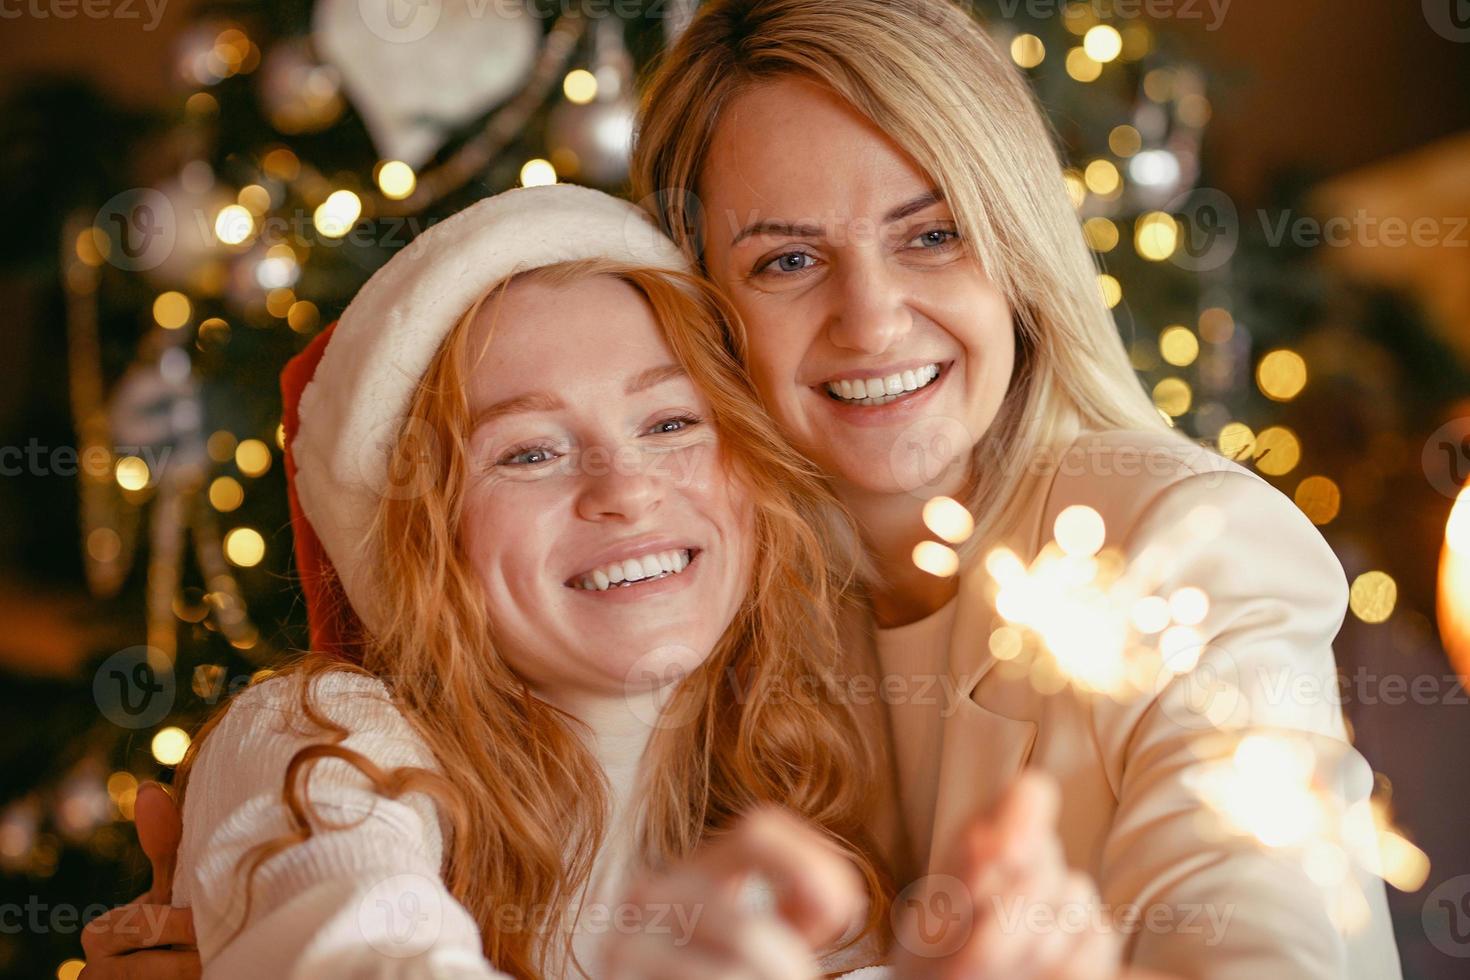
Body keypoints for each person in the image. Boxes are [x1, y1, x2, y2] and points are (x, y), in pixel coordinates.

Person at [81, 183, 1127, 980]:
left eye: (672, 423)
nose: (625, 488)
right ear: (421, 536)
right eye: (528, 451)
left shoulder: (798, 818)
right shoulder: (321, 738)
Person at [626, 1, 1403, 977]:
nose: (869, 323)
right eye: (787, 259)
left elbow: (1259, 936)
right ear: (708, 308)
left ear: (1016, 251)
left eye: (932, 234)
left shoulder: (1188, 540)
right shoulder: (694, 605)